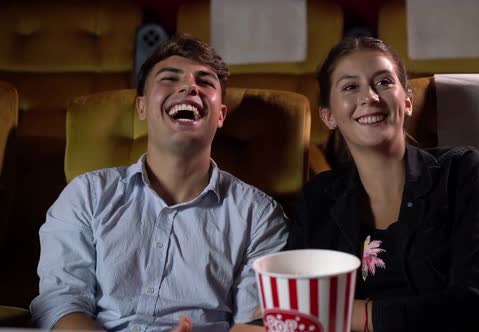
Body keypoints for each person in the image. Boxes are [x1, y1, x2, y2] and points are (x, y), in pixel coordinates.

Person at [30, 34, 288, 332]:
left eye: (205, 82)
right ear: (141, 107)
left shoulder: (260, 216)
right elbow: (61, 303)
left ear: (220, 115)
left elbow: (254, 321)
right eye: (169, 78)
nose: (189, 87)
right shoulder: (86, 194)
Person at [286, 37, 479, 332]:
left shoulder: (460, 170)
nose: (370, 97)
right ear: (329, 116)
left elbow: (472, 307)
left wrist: (352, 315)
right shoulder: (318, 196)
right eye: (350, 87)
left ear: (407, 101)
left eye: (383, 82)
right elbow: (292, 302)